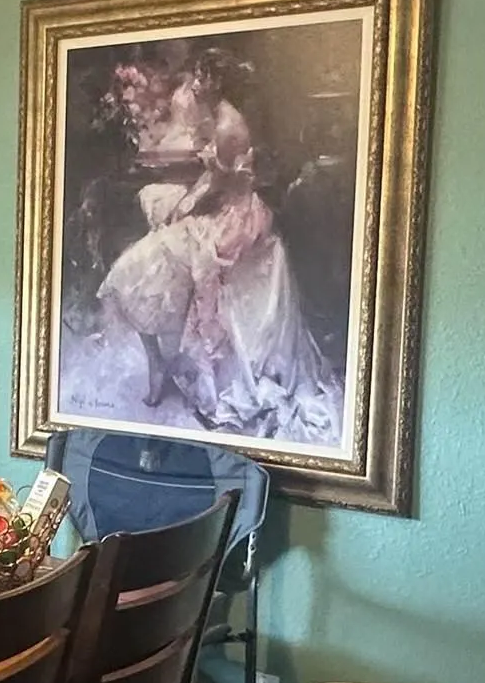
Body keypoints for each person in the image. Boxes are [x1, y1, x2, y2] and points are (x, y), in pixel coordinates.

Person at [92, 63, 339, 443]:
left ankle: (166, 358)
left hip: (234, 221)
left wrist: (186, 206)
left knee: (148, 257)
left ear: (217, 82)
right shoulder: (220, 115)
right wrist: (186, 200)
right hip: (225, 206)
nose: (196, 83)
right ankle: (161, 356)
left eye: (202, 77)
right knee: (155, 214)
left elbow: (215, 189)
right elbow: (209, 179)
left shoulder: (228, 126)